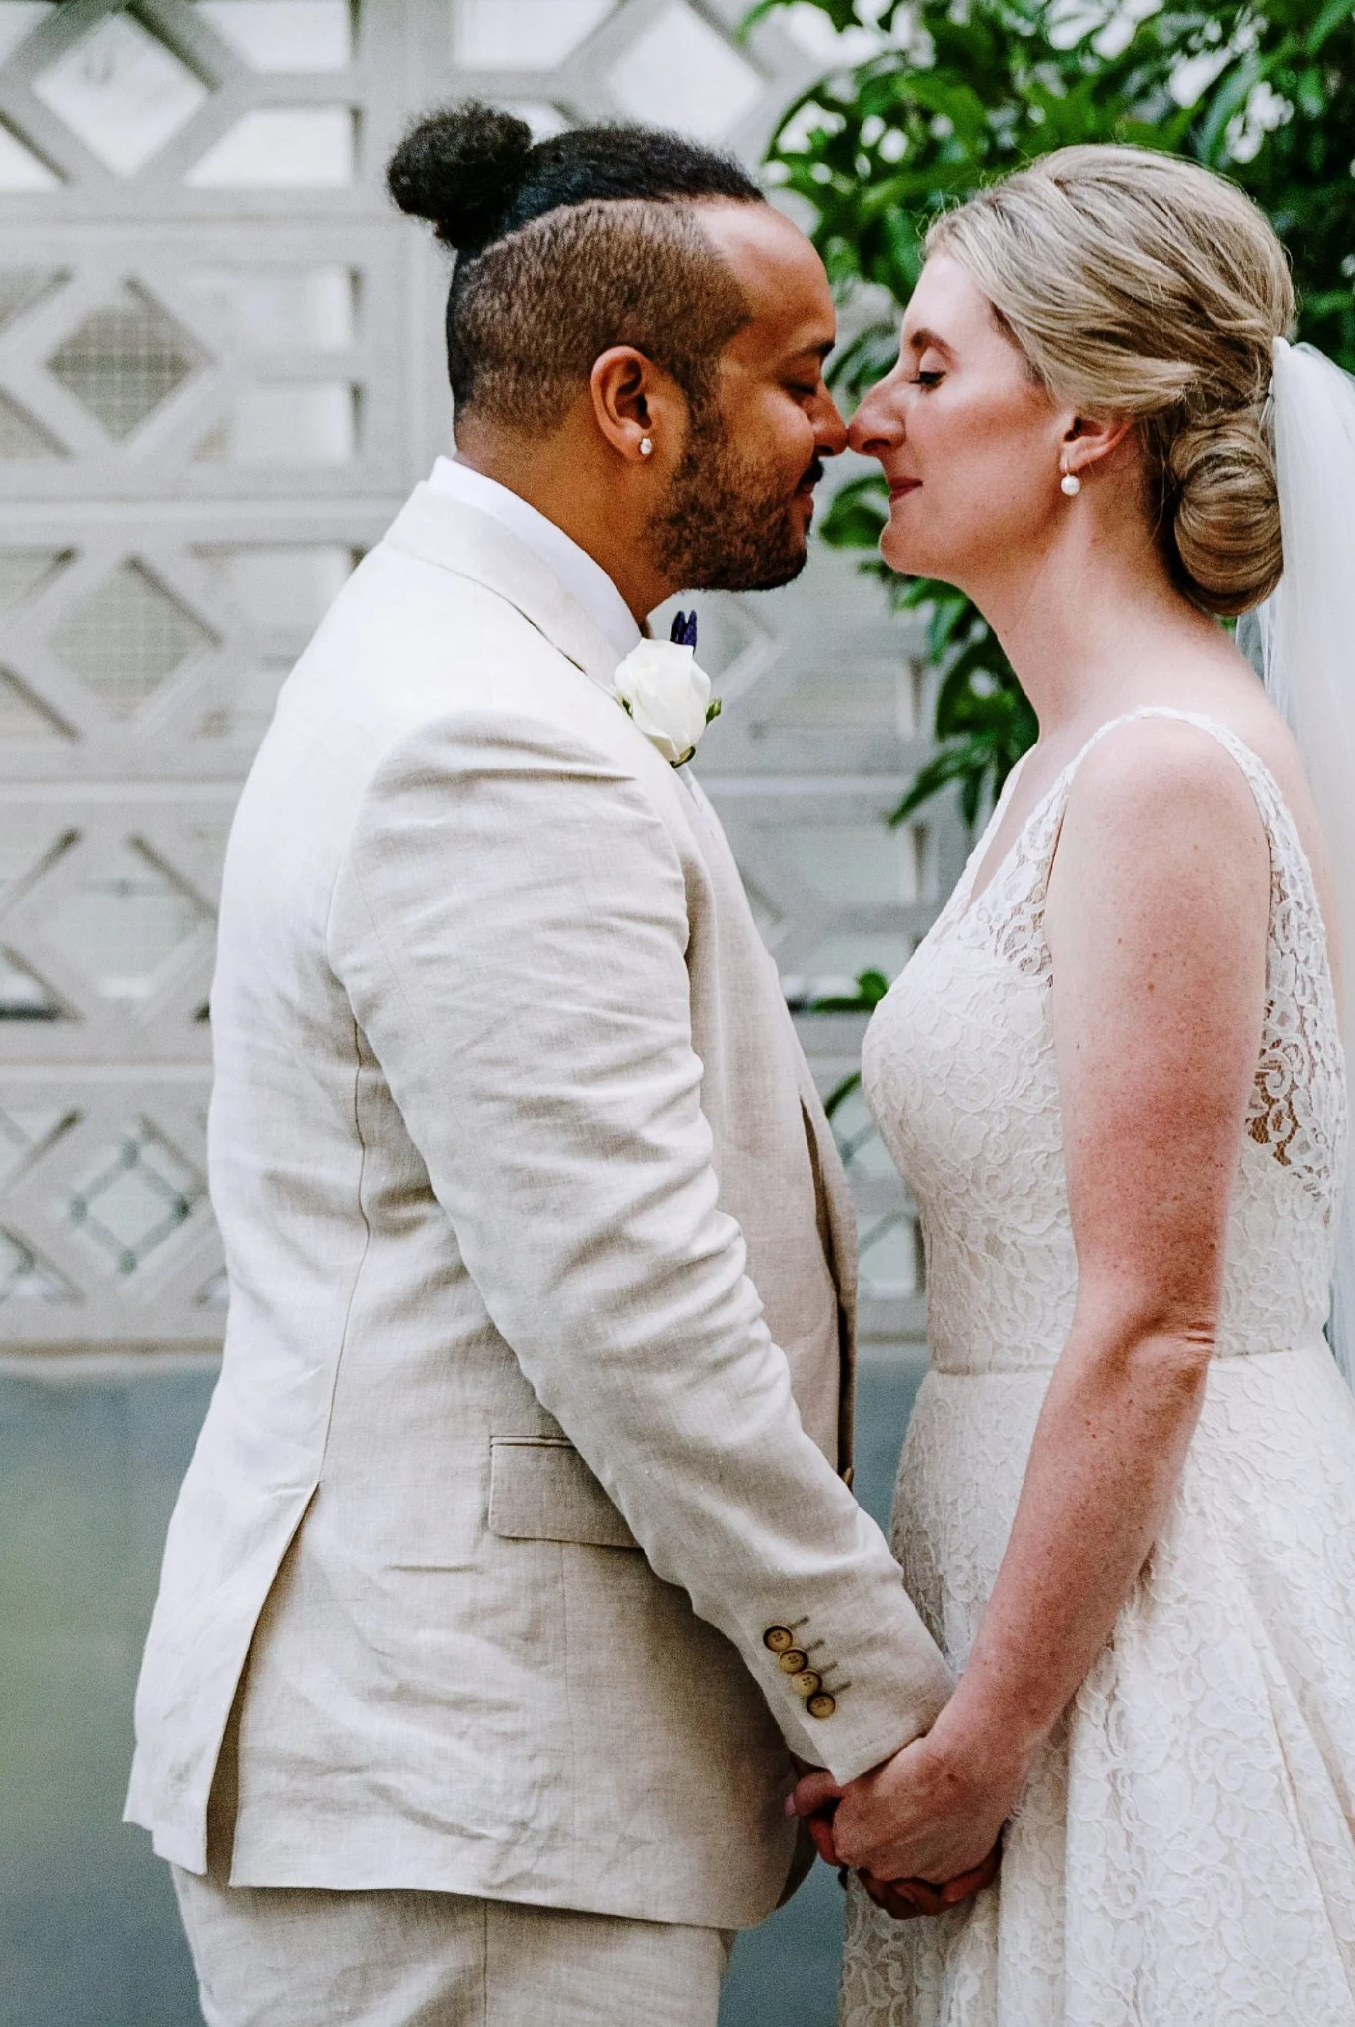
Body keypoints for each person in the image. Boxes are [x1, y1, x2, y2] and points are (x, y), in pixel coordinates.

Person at [125, 103, 968, 2026]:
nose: (835, 427)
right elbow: (633, 1307)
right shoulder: (482, 739)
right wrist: (887, 1701)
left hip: (465, 1797)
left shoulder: (468, 669)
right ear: (631, 404)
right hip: (466, 1796)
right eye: (798, 377)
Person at [806, 142, 1355, 2024]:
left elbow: (1159, 1315)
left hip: (1174, 1616)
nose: (872, 419)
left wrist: (990, 1742)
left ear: (1084, 422)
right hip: (1052, 1557)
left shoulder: (1163, 775)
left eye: (929, 368)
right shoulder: (1071, 764)